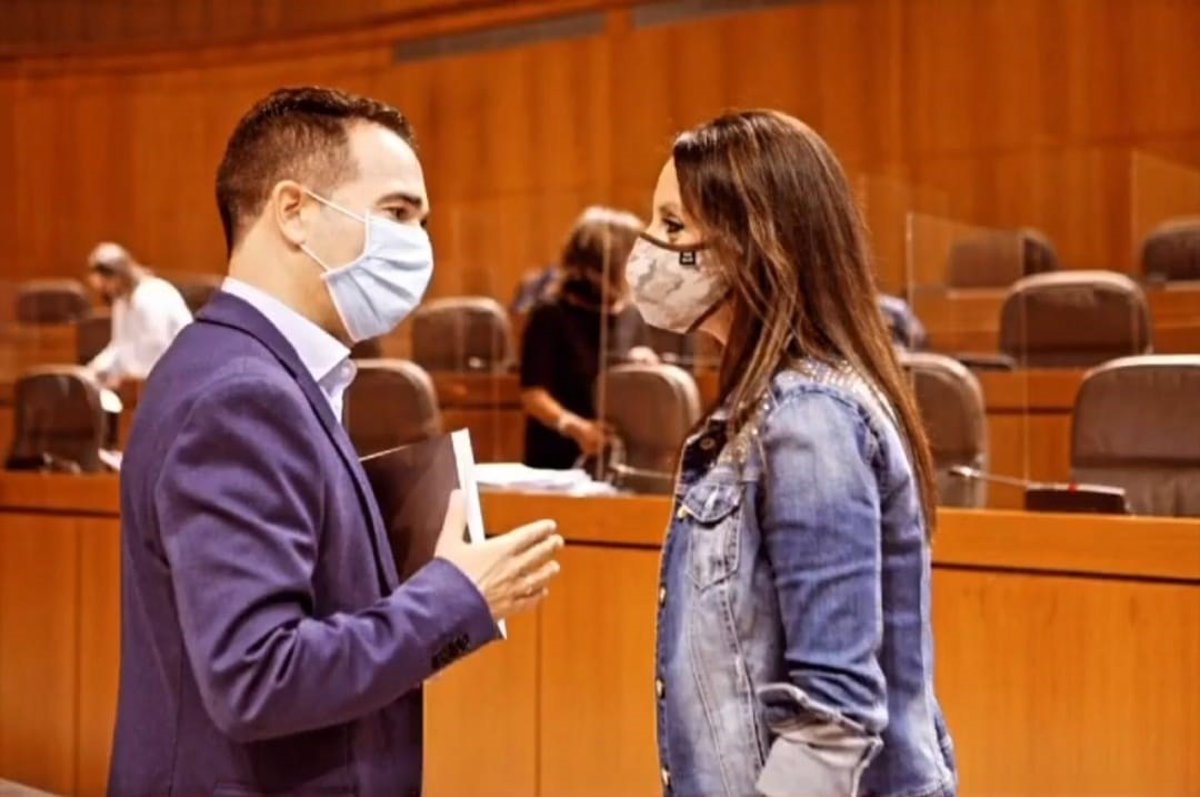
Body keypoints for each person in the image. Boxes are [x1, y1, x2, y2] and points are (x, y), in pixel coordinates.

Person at [109, 87, 563, 797]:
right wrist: (453, 598)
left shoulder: (244, 366)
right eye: (397, 213)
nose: (418, 243)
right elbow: (256, 676)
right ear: (294, 211)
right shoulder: (241, 395)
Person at [625, 111, 956, 797]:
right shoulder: (763, 406)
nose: (648, 246)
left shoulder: (811, 419)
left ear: (750, 244)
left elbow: (833, 720)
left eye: (673, 226)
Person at [519, 206, 658, 470]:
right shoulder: (550, 314)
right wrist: (576, 427)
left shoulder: (632, 314)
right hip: (557, 460)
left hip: (619, 461)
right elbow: (533, 395)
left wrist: (649, 371)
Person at [85, 242, 192, 387]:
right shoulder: (121, 301)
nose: (106, 291)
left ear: (118, 275)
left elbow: (157, 350)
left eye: (106, 284)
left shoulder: (151, 295)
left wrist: (122, 377)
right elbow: (119, 346)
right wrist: (94, 370)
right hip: (142, 380)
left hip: (176, 378)